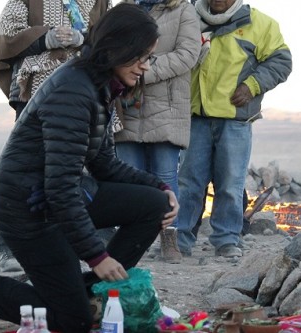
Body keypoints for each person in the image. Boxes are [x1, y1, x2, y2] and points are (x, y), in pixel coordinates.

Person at [0, 4, 178, 332]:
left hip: (51, 200)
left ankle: (90, 294)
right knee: (72, 321)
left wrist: (160, 188)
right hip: (26, 211)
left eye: (149, 58)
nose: (145, 66)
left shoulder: (100, 87)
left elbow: (104, 163)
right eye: (141, 56)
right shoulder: (74, 91)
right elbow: (61, 188)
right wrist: (97, 256)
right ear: (118, 46)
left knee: (155, 205)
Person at [0, 0, 112, 272]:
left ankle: (93, 240)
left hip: (85, 89)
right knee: (27, 166)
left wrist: (84, 39)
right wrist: (46, 38)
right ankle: (11, 247)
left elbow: (110, 36)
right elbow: (6, 37)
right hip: (34, 90)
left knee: (89, 161)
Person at [177, 0, 292, 258]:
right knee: (189, 183)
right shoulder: (188, 19)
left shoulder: (260, 23)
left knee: (230, 183)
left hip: (235, 120)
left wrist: (252, 86)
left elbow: (281, 61)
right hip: (195, 116)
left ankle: (227, 240)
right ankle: (179, 239)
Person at [114, 0, 200, 264]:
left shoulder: (184, 10)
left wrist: (140, 70)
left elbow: (187, 54)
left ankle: (168, 241)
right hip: (128, 105)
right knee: (129, 179)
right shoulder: (125, 9)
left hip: (167, 107)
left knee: (165, 176)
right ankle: (130, 243)